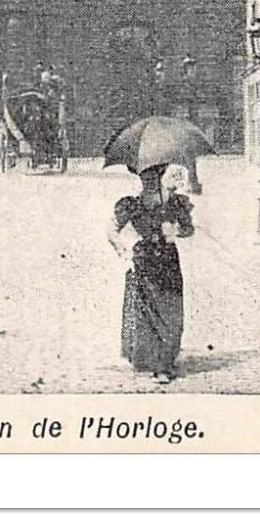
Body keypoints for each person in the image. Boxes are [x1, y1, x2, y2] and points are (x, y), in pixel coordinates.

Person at [107, 163, 195, 383]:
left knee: (169, 309)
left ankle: (165, 358)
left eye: (154, 179)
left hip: (168, 260)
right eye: (145, 179)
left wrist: (174, 231)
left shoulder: (175, 203)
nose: (149, 183)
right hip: (144, 260)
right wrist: (123, 250)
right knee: (148, 311)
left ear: (160, 179)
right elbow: (111, 231)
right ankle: (158, 364)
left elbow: (188, 228)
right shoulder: (132, 205)